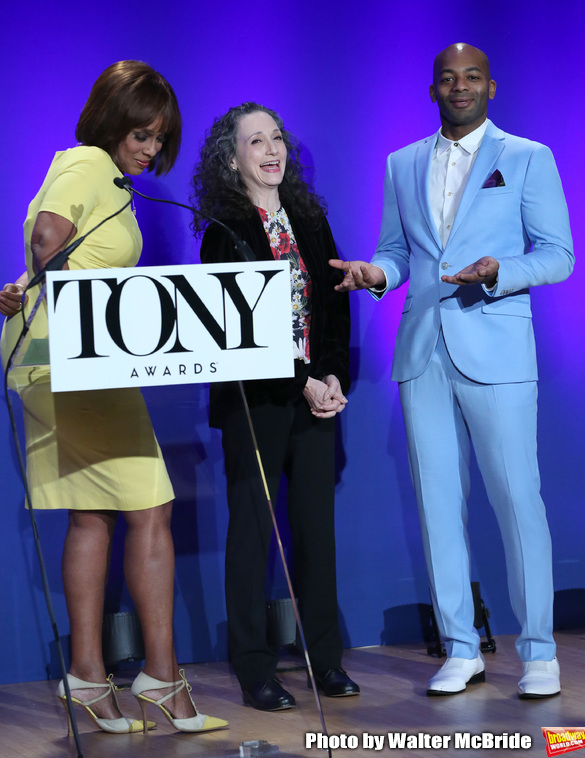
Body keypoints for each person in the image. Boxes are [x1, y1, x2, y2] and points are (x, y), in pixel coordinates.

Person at [330, 43, 574, 699]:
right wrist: (375, 274)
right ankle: (461, 647)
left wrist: (502, 271)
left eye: (471, 78)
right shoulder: (402, 163)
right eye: (447, 78)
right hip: (422, 349)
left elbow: (558, 256)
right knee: (439, 507)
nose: (459, 87)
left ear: (492, 87)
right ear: (432, 89)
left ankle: (539, 652)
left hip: (496, 346)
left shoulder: (527, 157)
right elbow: (395, 251)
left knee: (518, 501)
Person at [0, 61, 228, 735]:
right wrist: (53, 283)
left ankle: (89, 680)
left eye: (160, 137)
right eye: (141, 131)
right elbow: (46, 241)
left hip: (56, 357)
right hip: (68, 359)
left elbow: (49, 257)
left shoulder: (107, 177)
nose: (151, 147)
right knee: (151, 505)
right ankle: (161, 680)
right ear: (110, 119)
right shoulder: (88, 164)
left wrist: (40, 287)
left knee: (93, 514)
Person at [190, 102, 359, 711]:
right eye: (254, 141)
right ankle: (254, 667)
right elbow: (240, 332)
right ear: (231, 160)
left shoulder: (310, 218)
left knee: (316, 532)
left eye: (277, 137)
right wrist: (303, 381)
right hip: (256, 402)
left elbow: (336, 305)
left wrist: (332, 375)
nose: (270, 149)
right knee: (253, 537)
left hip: (317, 400)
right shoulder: (223, 230)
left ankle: (325, 660)